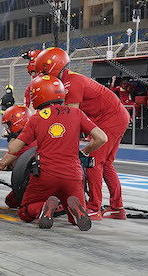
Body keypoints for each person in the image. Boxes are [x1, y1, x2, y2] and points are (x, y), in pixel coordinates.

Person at [0, 75, 106, 229]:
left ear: (38, 95)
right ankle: (73, 210)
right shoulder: (77, 114)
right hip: (74, 174)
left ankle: (43, 207)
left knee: (24, 211)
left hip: (46, 174)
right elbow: (102, 138)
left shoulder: (36, 119)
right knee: (72, 218)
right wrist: (83, 152)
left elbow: (14, 149)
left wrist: (12, 136)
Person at [34, 47, 130, 220]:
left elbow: (71, 121)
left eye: (43, 72)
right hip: (115, 116)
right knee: (106, 164)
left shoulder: (71, 83)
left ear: (52, 68)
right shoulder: (70, 80)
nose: (42, 76)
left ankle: (94, 207)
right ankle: (117, 208)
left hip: (111, 117)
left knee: (93, 162)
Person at [0, 104, 33, 208]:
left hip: (33, 182)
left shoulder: (20, 143)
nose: (8, 128)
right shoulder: (34, 134)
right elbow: (8, 165)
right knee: (12, 200)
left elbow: (2, 164)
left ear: (17, 122)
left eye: (9, 124)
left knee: (16, 204)